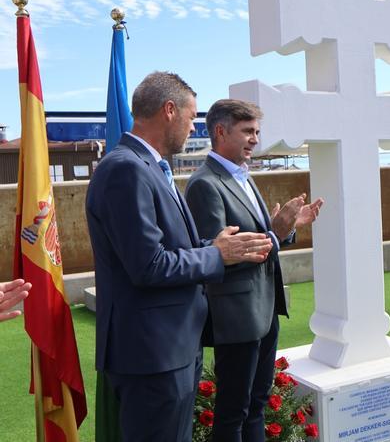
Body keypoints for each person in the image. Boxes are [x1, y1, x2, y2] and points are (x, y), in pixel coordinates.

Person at [85, 72, 274, 442]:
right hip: (152, 355)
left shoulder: (150, 167)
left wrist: (211, 246)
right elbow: (149, 265)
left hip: (171, 348)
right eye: (191, 118)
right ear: (169, 111)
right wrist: (217, 255)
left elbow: (172, 249)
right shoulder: (126, 169)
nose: (194, 128)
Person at [185, 99, 323, 442]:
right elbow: (219, 255)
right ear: (220, 131)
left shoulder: (242, 176)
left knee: (257, 405)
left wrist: (288, 228)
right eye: (247, 131)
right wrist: (276, 232)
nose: (255, 139)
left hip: (264, 310)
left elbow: (264, 239)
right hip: (236, 316)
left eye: (257, 132)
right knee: (234, 412)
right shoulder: (206, 184)